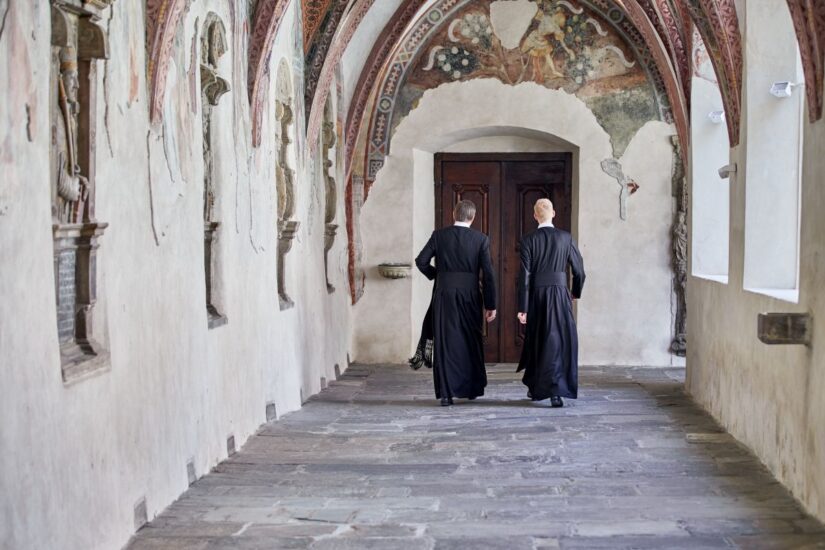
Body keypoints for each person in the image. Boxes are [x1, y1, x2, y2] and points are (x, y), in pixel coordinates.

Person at [413, 200, 497, 406]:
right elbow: (488, 275)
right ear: (473, 217)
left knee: (446, 341)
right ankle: (471, 388)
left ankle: (446, 394)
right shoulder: (481, 239)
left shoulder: (439, 236)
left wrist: (439, 276)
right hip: (470, 296)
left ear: (453, 213)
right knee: (469, 341)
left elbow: (421, 261)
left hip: (444, 295)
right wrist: (491, 304)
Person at [517, 198, 585, 407]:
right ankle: (557, 390)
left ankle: (536, 387)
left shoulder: (528, 240)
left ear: (535, 216)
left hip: (537, 295)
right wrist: (575, 293)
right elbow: (579, 271)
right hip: (559, 294)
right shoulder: (566, 238)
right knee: (560, 340)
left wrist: (523, 307)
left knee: (539, 339)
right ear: (553, 213)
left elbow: (525, 277)